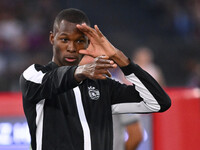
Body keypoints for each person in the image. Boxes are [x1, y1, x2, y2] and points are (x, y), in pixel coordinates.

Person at [19, 8, 171, 150]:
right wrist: (80, 71)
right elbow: (52, 80)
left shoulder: (103, 86)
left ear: (87, 43)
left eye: (79, 41)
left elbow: (158, 102)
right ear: (52, 38)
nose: (72, 48)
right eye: (64, 40)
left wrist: (117, 56)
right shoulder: (35, 76)